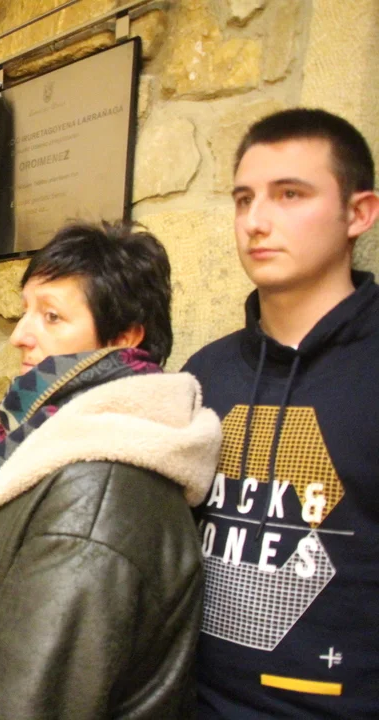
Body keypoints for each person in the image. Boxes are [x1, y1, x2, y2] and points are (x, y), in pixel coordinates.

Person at [0, 222, 223, 720]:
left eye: (52, 316)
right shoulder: (47, 449)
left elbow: (33, 702)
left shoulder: (98, 492)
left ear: (125, 338)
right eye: (26, 311)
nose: (20, 336)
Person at [183, 109, 379, 717]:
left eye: (290, 194)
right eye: (244, 199)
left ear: (359, 213)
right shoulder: (205, 372)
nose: (256, 221)